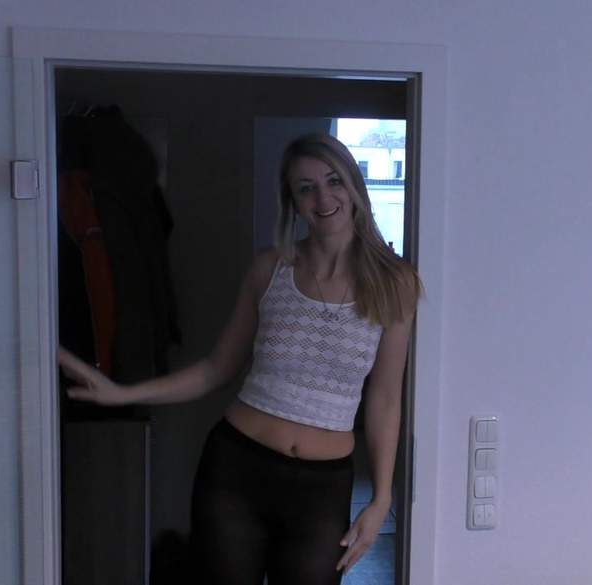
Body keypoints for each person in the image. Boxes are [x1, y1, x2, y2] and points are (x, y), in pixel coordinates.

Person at [58, 133, 422, 585]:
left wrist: (383, 497)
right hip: (235, 472)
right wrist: (122, 393)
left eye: (334, 181)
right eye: (305, 187)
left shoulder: (395, 284)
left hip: (322, 488)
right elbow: (216, 368)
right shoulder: (270, 268)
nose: (323, 197)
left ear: (354, 186)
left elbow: (385, 399)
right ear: (292, 201)